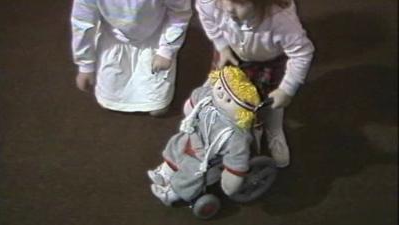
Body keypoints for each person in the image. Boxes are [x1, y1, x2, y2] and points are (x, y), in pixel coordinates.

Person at [195, 0, 315, 167]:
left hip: (268, 62)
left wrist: (287, 89)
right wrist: (222, 46)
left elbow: (302, 53)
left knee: (270, 100)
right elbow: (206, 17)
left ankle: (274, 128)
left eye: (241, 3)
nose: (229, 9)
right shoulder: (211, 3)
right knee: (221, 88)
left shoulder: (281, 19)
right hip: (232, 54)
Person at [147, 66, 262, 206]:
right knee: (175, 145)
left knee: (192, 170)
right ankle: (166, 172)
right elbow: (194, 100)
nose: (220, 95)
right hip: (193, 135)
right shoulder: (208, 98)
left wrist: (232, 178)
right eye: (220, 89)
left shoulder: (236, 135)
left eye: (229, 100)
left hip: (207, 154)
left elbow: (237, 157)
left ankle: (176, 191)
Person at [71, 0, 192, 116]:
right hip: (114, 40)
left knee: (158, 108)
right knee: (109, 100)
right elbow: (82, 22)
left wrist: (166, 50)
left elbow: (180, 13)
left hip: (154, 39)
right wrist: (86, 65)